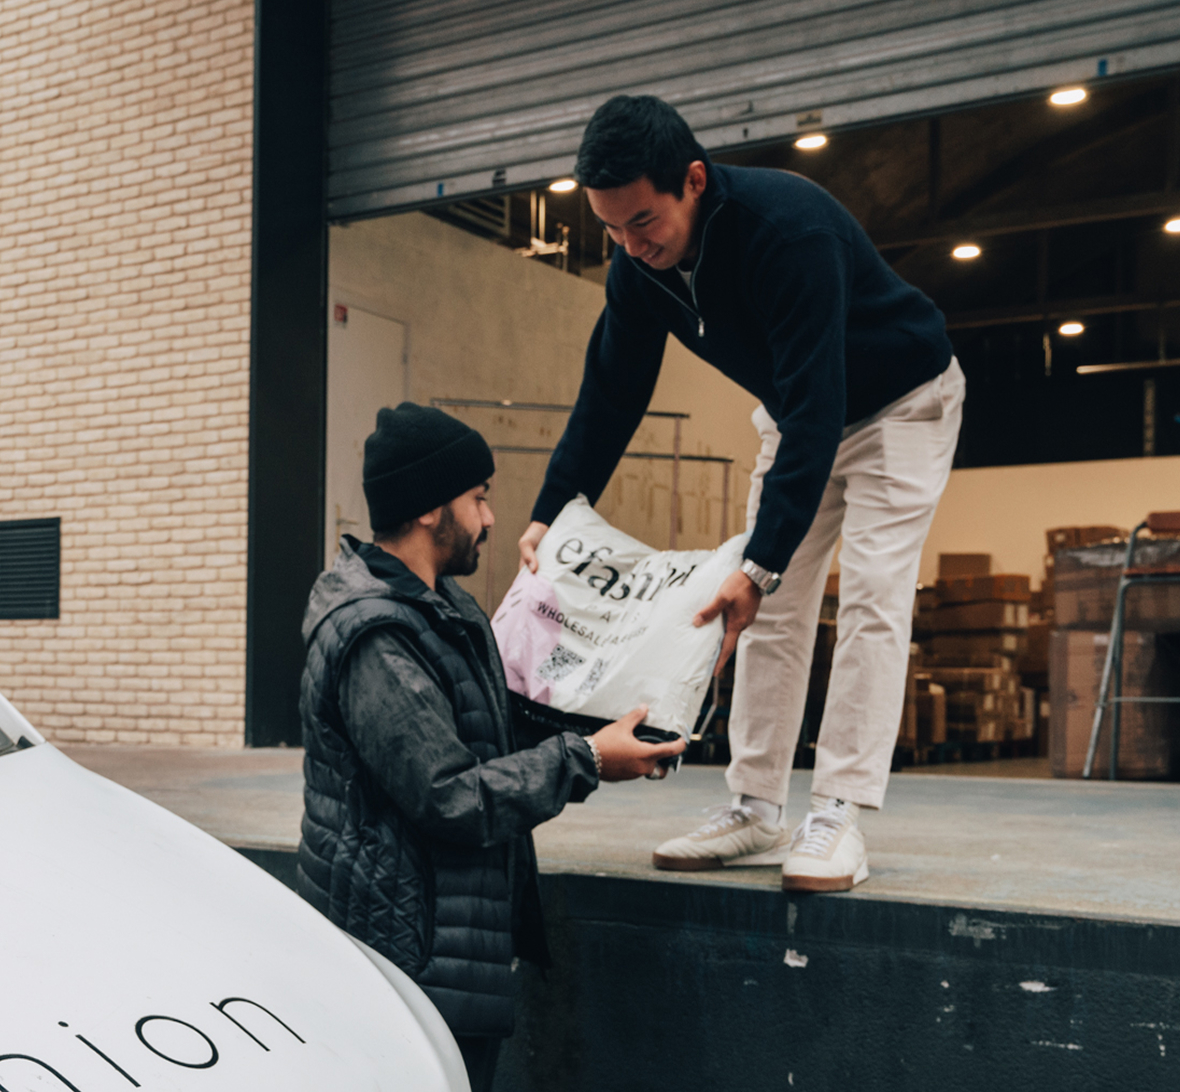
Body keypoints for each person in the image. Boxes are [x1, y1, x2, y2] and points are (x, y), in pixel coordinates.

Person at [518, 95, 964, 893]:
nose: (631, 245)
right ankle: (756, 807)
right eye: (611, 229)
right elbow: (612, 391)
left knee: (870, 596)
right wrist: (551, 513)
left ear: (693, 181)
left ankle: (839, 811)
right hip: (800, 416)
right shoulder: (637, 265)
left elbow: (820, 403)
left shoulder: (790, 232)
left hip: (900, 402)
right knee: (762, 613)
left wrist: (759, 564)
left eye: (643, 221)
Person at [297, 402, 685, 1092]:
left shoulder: (441, 607)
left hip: (448, 948)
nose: (491, 517)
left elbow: (490, 734)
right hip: (410, 962)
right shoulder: (377, 637)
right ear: (428, 508)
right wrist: (589, 759)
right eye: (478, 497)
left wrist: (609, 734)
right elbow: (451, 795)